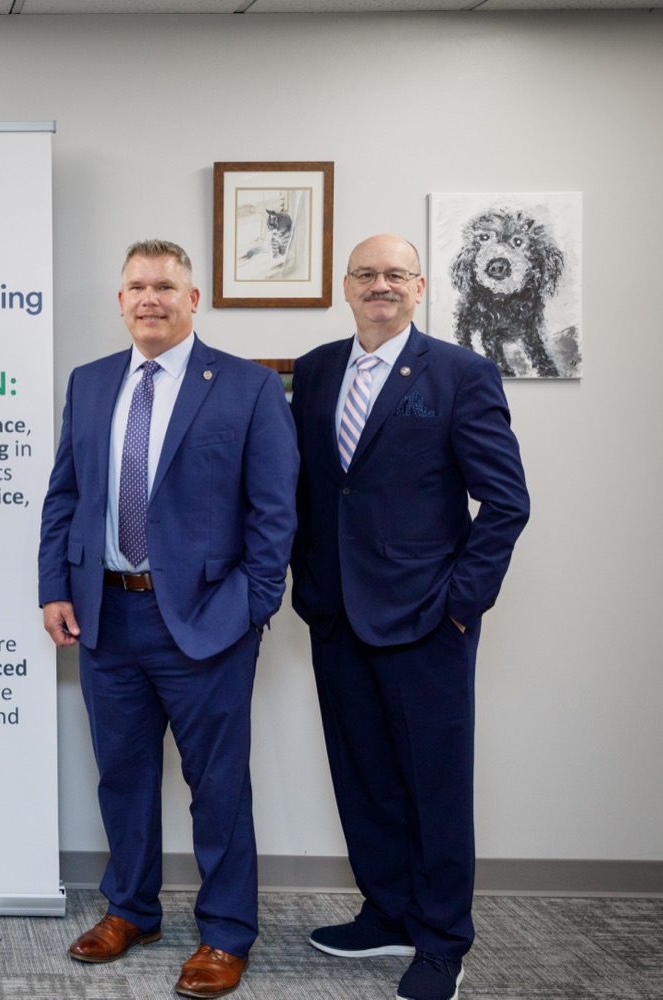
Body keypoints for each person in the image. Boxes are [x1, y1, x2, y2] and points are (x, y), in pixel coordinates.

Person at [38, 240, 297, 998]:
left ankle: (226, 933)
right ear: (121, 301)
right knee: (122, 776)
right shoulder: (91, 382)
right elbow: (66, 495)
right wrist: (55, 587)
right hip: (106, 615)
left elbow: (276, 509)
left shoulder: (247, 386)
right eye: (137, 287)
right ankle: (131, 910)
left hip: (208, 620)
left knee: (218, 786)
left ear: (193, 299)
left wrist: (251, 604)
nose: (150, 298)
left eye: (165, 286)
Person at [290, 234, 530, 1000]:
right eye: (366, 274)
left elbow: (507, 501)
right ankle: (387, 912)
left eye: (395, 274)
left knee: (435, 787)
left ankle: (441, 941)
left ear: (419, 287)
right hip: (336, 614)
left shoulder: (460, 373)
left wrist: (461, 604)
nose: (380, 284)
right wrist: (306, 582)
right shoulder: (317, 369)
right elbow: (311, 490)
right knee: (363, 777)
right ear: (346, 286)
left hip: (427, 619)